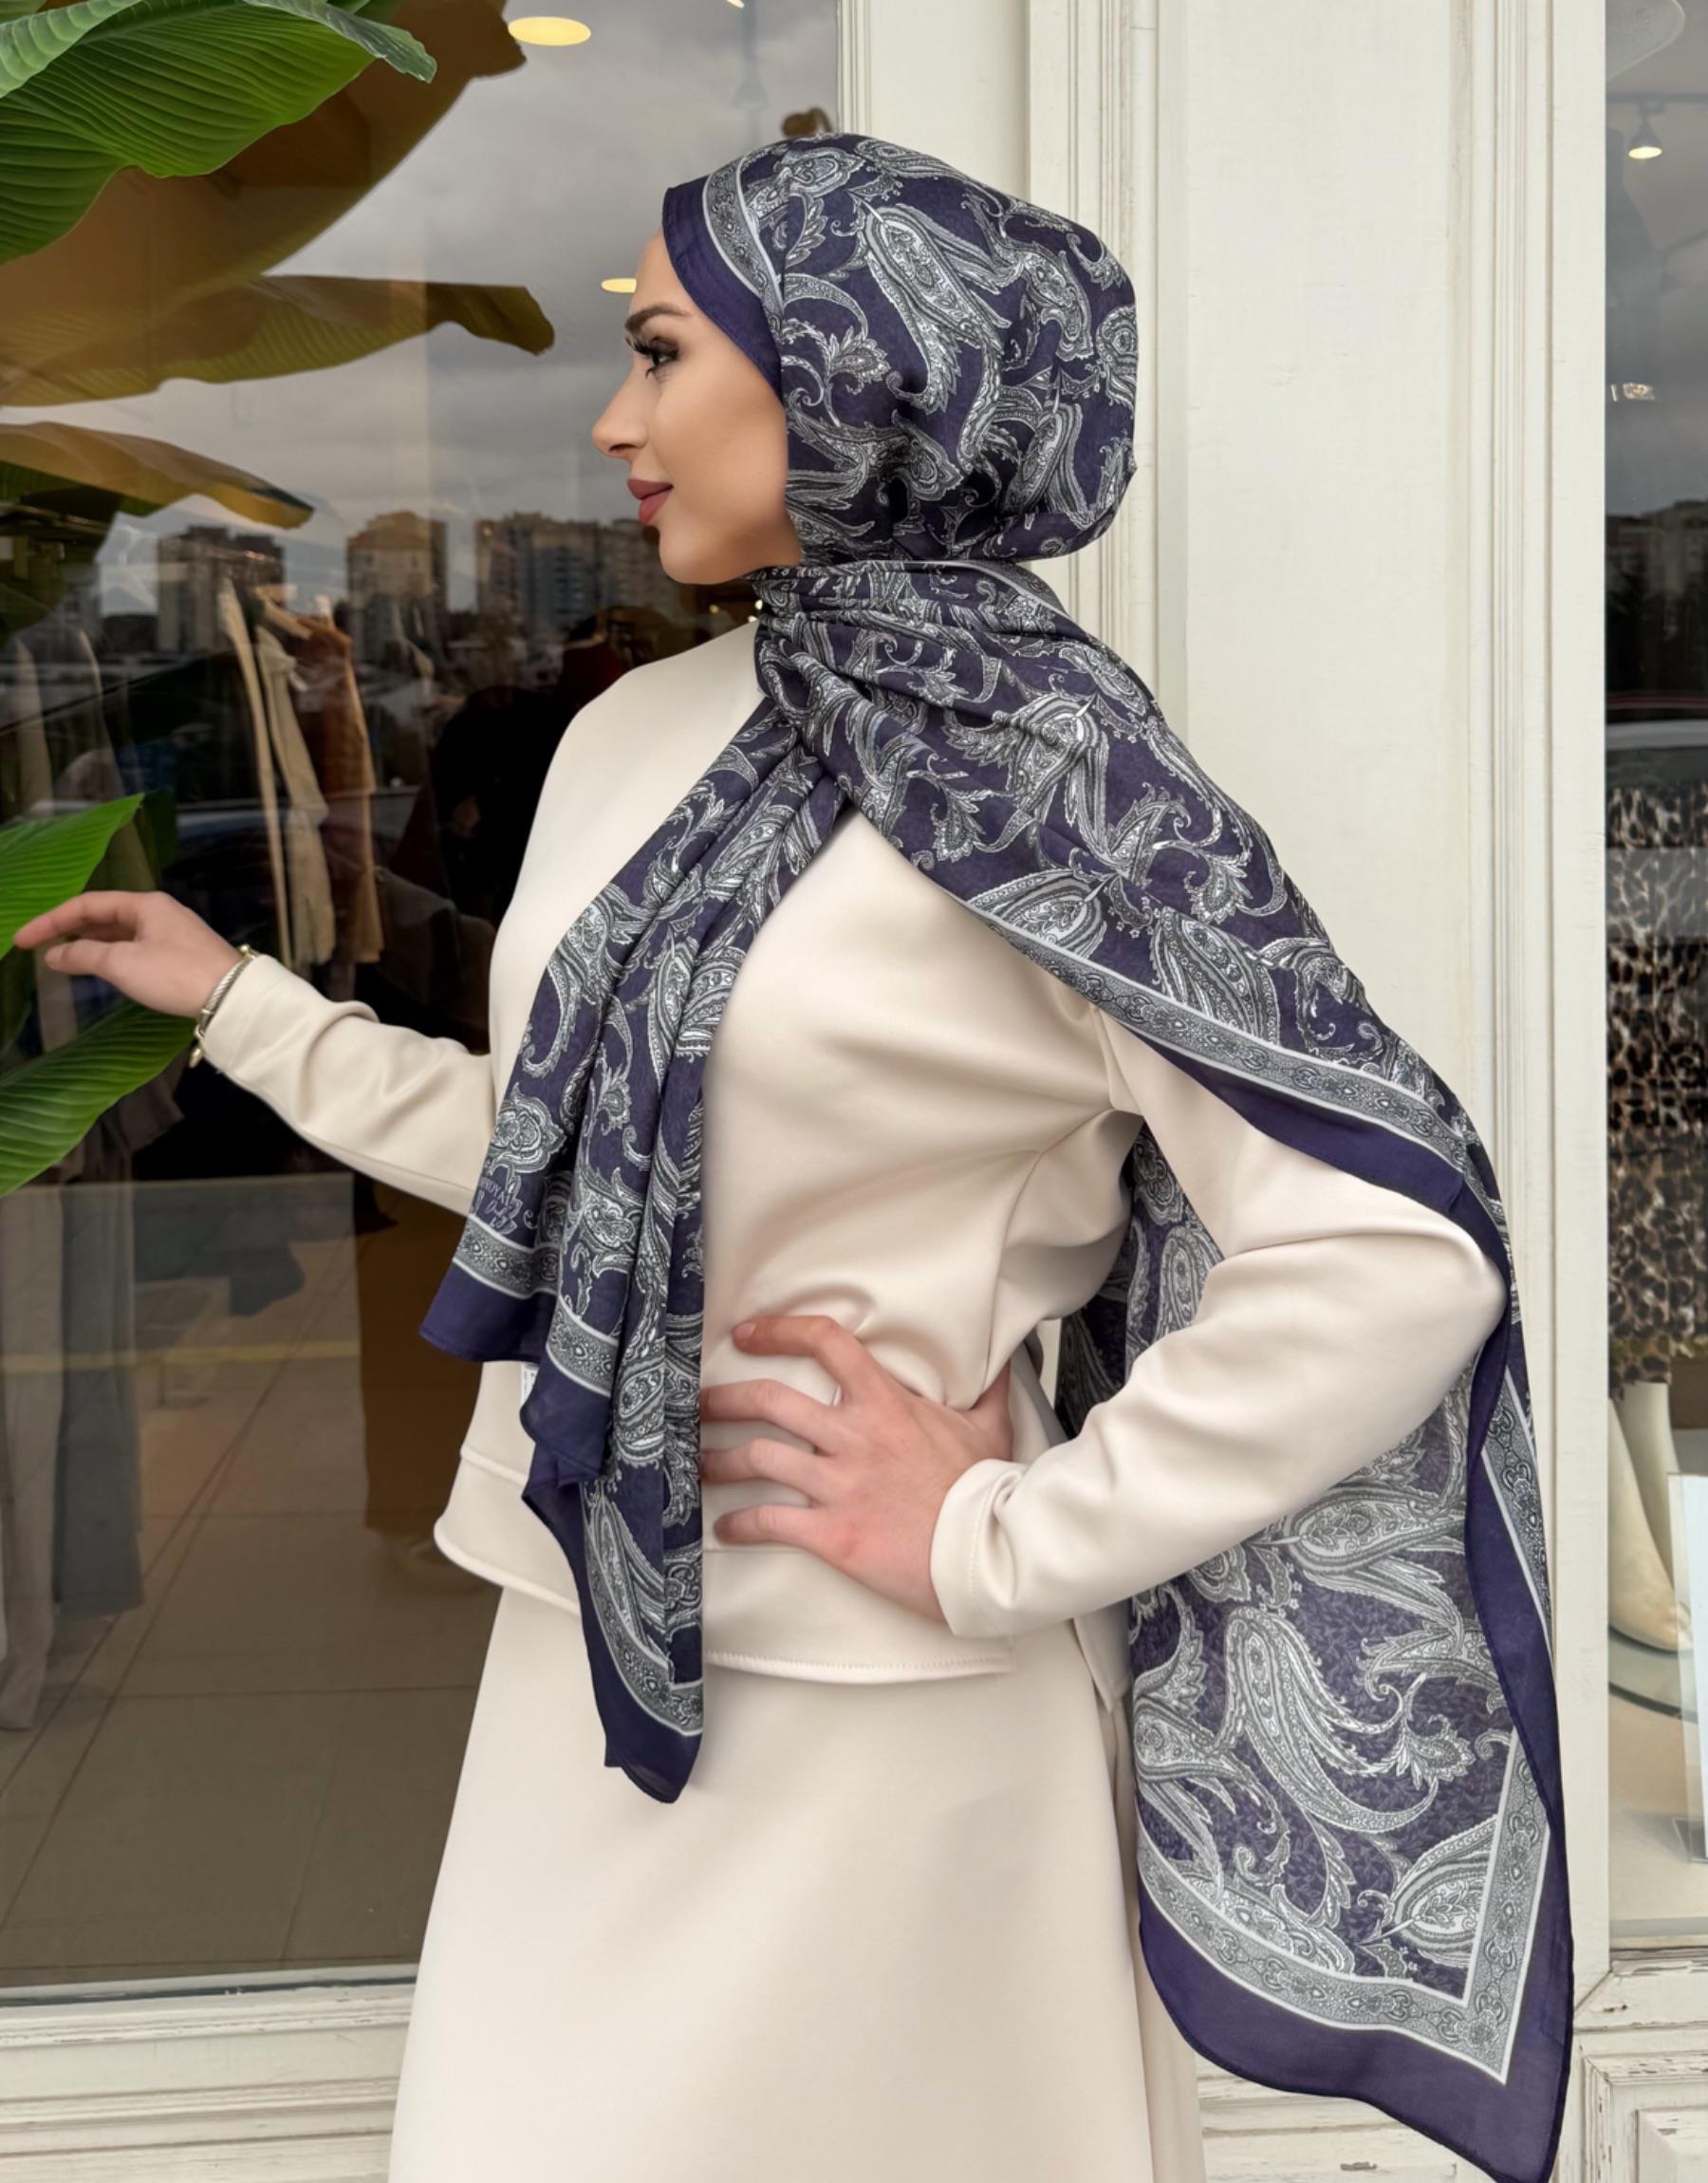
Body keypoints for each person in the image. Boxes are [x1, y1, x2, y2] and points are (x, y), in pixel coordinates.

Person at [18, 134, 1564, 2183]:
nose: (612, 417)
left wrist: (1011, 1532)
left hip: (890, 1696)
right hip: (585, 1629)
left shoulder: (1058, 782)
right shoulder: (630, 732)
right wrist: (243, 1005)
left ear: (856, 377)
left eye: (663, 350)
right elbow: (573, 1155)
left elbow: (1395, 1247)